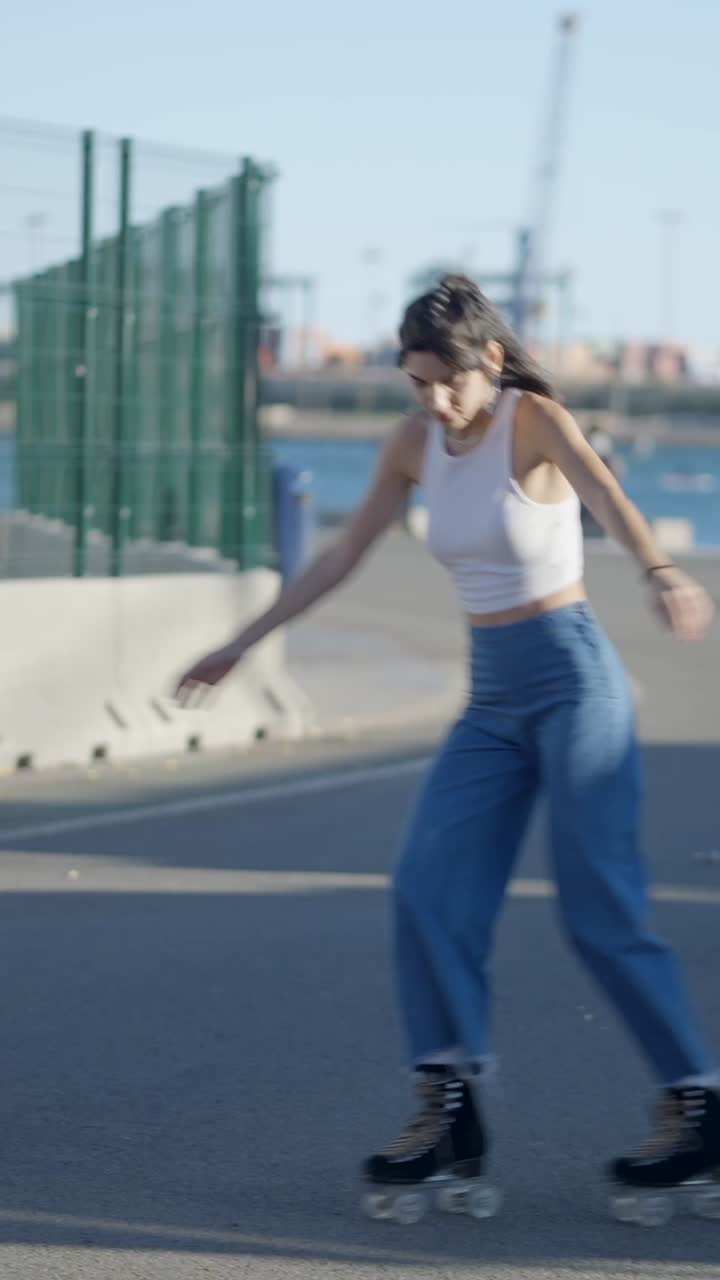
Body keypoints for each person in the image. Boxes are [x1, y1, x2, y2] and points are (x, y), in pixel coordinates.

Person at [176, 275, 719, 1219]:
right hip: (491, 703)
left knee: (600, 912)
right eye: (417, 382)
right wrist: (242, 642)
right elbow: (341, 558)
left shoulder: (531, 418)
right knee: (426, 889)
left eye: (448, 382)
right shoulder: (413, 442)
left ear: (490, 362)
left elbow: (604, 488)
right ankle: (449, 1104)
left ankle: (697, 1104)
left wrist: (662, 570)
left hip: (573, 682)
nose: (434, 400)